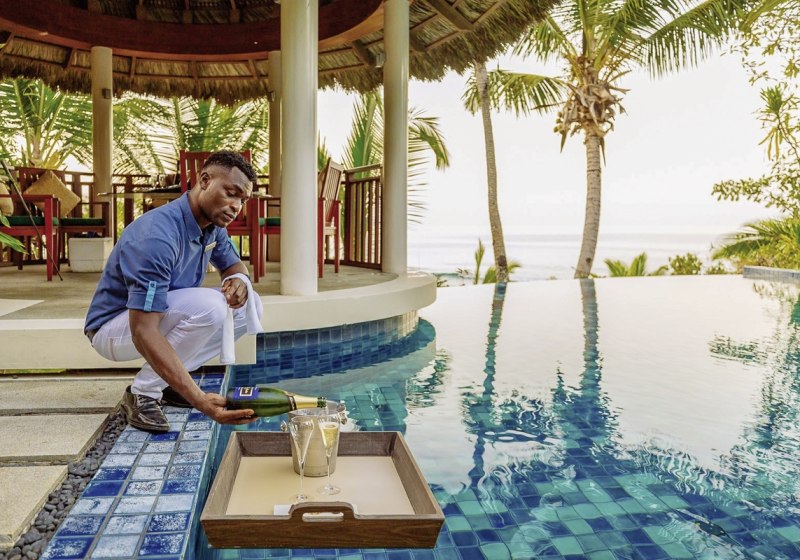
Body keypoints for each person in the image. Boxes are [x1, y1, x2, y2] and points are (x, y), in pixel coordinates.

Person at [84, 150, 259, 432]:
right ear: (205, 180)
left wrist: (239, 280)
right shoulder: (157, 236)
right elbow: (143, 330)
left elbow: (234, 265)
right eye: (230, 193)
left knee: (249, 305)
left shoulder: (212, 226)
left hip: (154, 317)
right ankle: (143, 393)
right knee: (211, 307)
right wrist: (200, 400)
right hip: (113, 328)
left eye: (243, 200)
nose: (236, 206)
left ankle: (167, 382)